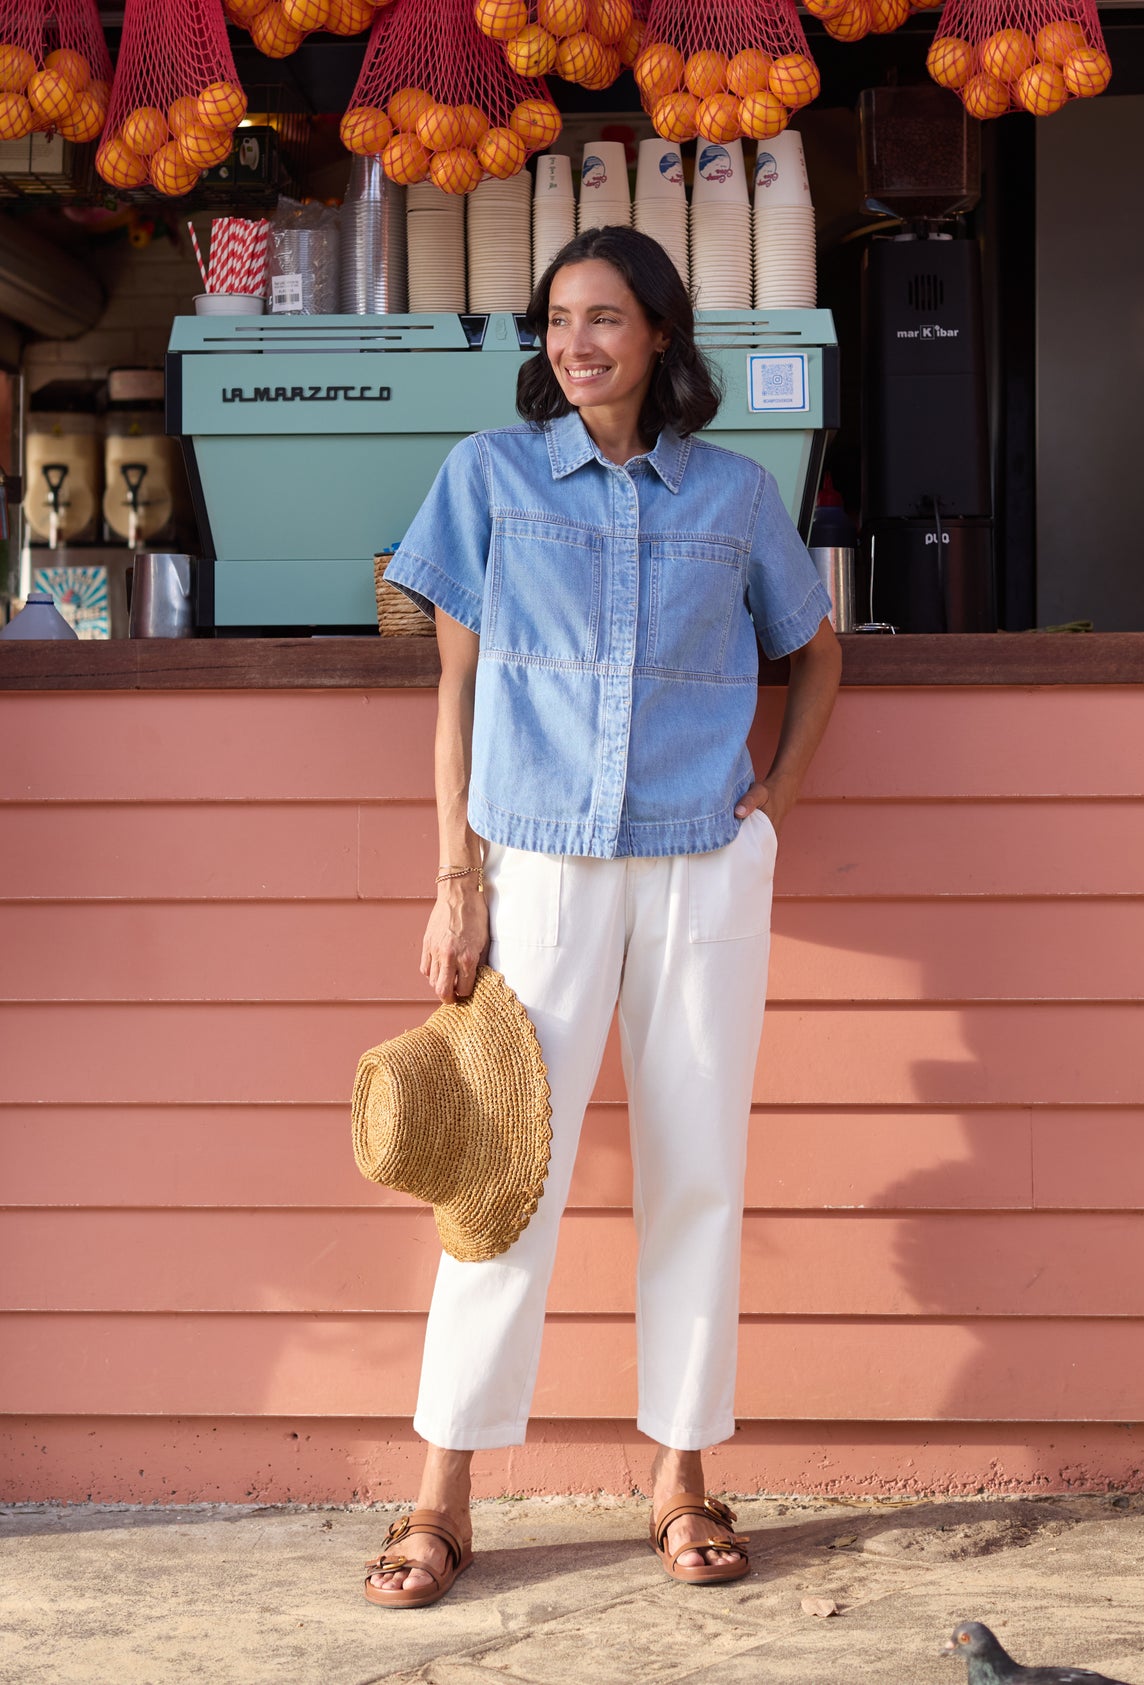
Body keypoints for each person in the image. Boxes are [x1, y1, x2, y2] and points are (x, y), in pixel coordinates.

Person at [365, 224, 842, 1608]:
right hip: (540, 869)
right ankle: (442, 1491)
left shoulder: (738, 497)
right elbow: (454, 688)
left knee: (697, 1169)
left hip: (704, 861)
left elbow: (816, 655)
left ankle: (681, 1474)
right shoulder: (490, 479)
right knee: (499, 1171)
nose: (577, 343)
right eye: (560, 319)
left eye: (606, 318)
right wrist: (456, 873)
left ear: (661, 337)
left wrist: (775, 811)